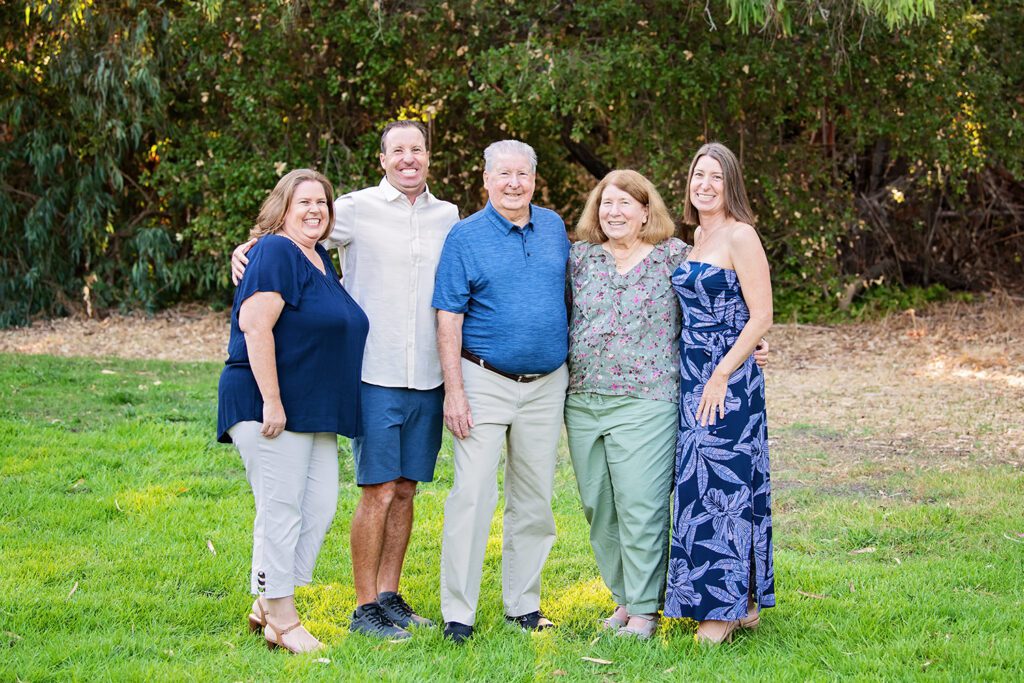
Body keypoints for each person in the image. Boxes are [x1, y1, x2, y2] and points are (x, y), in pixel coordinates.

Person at [231, 121, 460, 640]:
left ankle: (388, 596)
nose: (408, 158)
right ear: (381, 159)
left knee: (406, 490)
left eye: (417, 149)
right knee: (377, 489)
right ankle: (363, 609)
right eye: (397, 150)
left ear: (429, 156)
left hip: (426, 374)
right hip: (371, 373)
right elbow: (287, 238)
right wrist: (245, 250)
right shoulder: (350, 209)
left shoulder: (449, 216)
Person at [566, 169, 768, 640]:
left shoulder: (673, 257)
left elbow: (728, 298)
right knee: (600, 507)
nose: (614, 212)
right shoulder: (578, 260)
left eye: (625, 204)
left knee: (640, 506)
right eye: (606, 204)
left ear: (645, 212)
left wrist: (751, 345)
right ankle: (625, 597)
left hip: (648, 397)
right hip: (582, 398)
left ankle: (644, 611)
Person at [217, 168, 369, 653]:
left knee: (319, 505)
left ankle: (266, 597)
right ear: (281, 208)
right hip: (269, 401)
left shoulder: (317, 255)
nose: (314, 210)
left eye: (322, 203)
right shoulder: (277, 251)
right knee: (281, 509)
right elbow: (255, 326)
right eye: (303, 201)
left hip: (313, 407)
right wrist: (273, 403)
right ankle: (281, 618)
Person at [432, 140, 570, 644]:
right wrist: (454, 392)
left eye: (523, 174)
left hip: (546, 385)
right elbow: (448, 317)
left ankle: (523, 605)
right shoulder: (464, 237)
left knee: (534, 500)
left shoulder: (554, 228)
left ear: (535, 179)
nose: (515, 183)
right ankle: (459, 614)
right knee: (471, 495)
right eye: (504, 174)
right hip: (483, 382)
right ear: (485, 179)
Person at [664, 142, 775, 644]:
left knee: (724, 488)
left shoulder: (740, 235)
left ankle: (723, 612)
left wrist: (724, 371)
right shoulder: (694, 238)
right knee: (697, 485)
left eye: (715, 177)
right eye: (697, 176)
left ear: (731, 183)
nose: (704, 185)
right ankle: (737, 600)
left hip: (725, 382)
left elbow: (762, 315)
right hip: (691, 376)